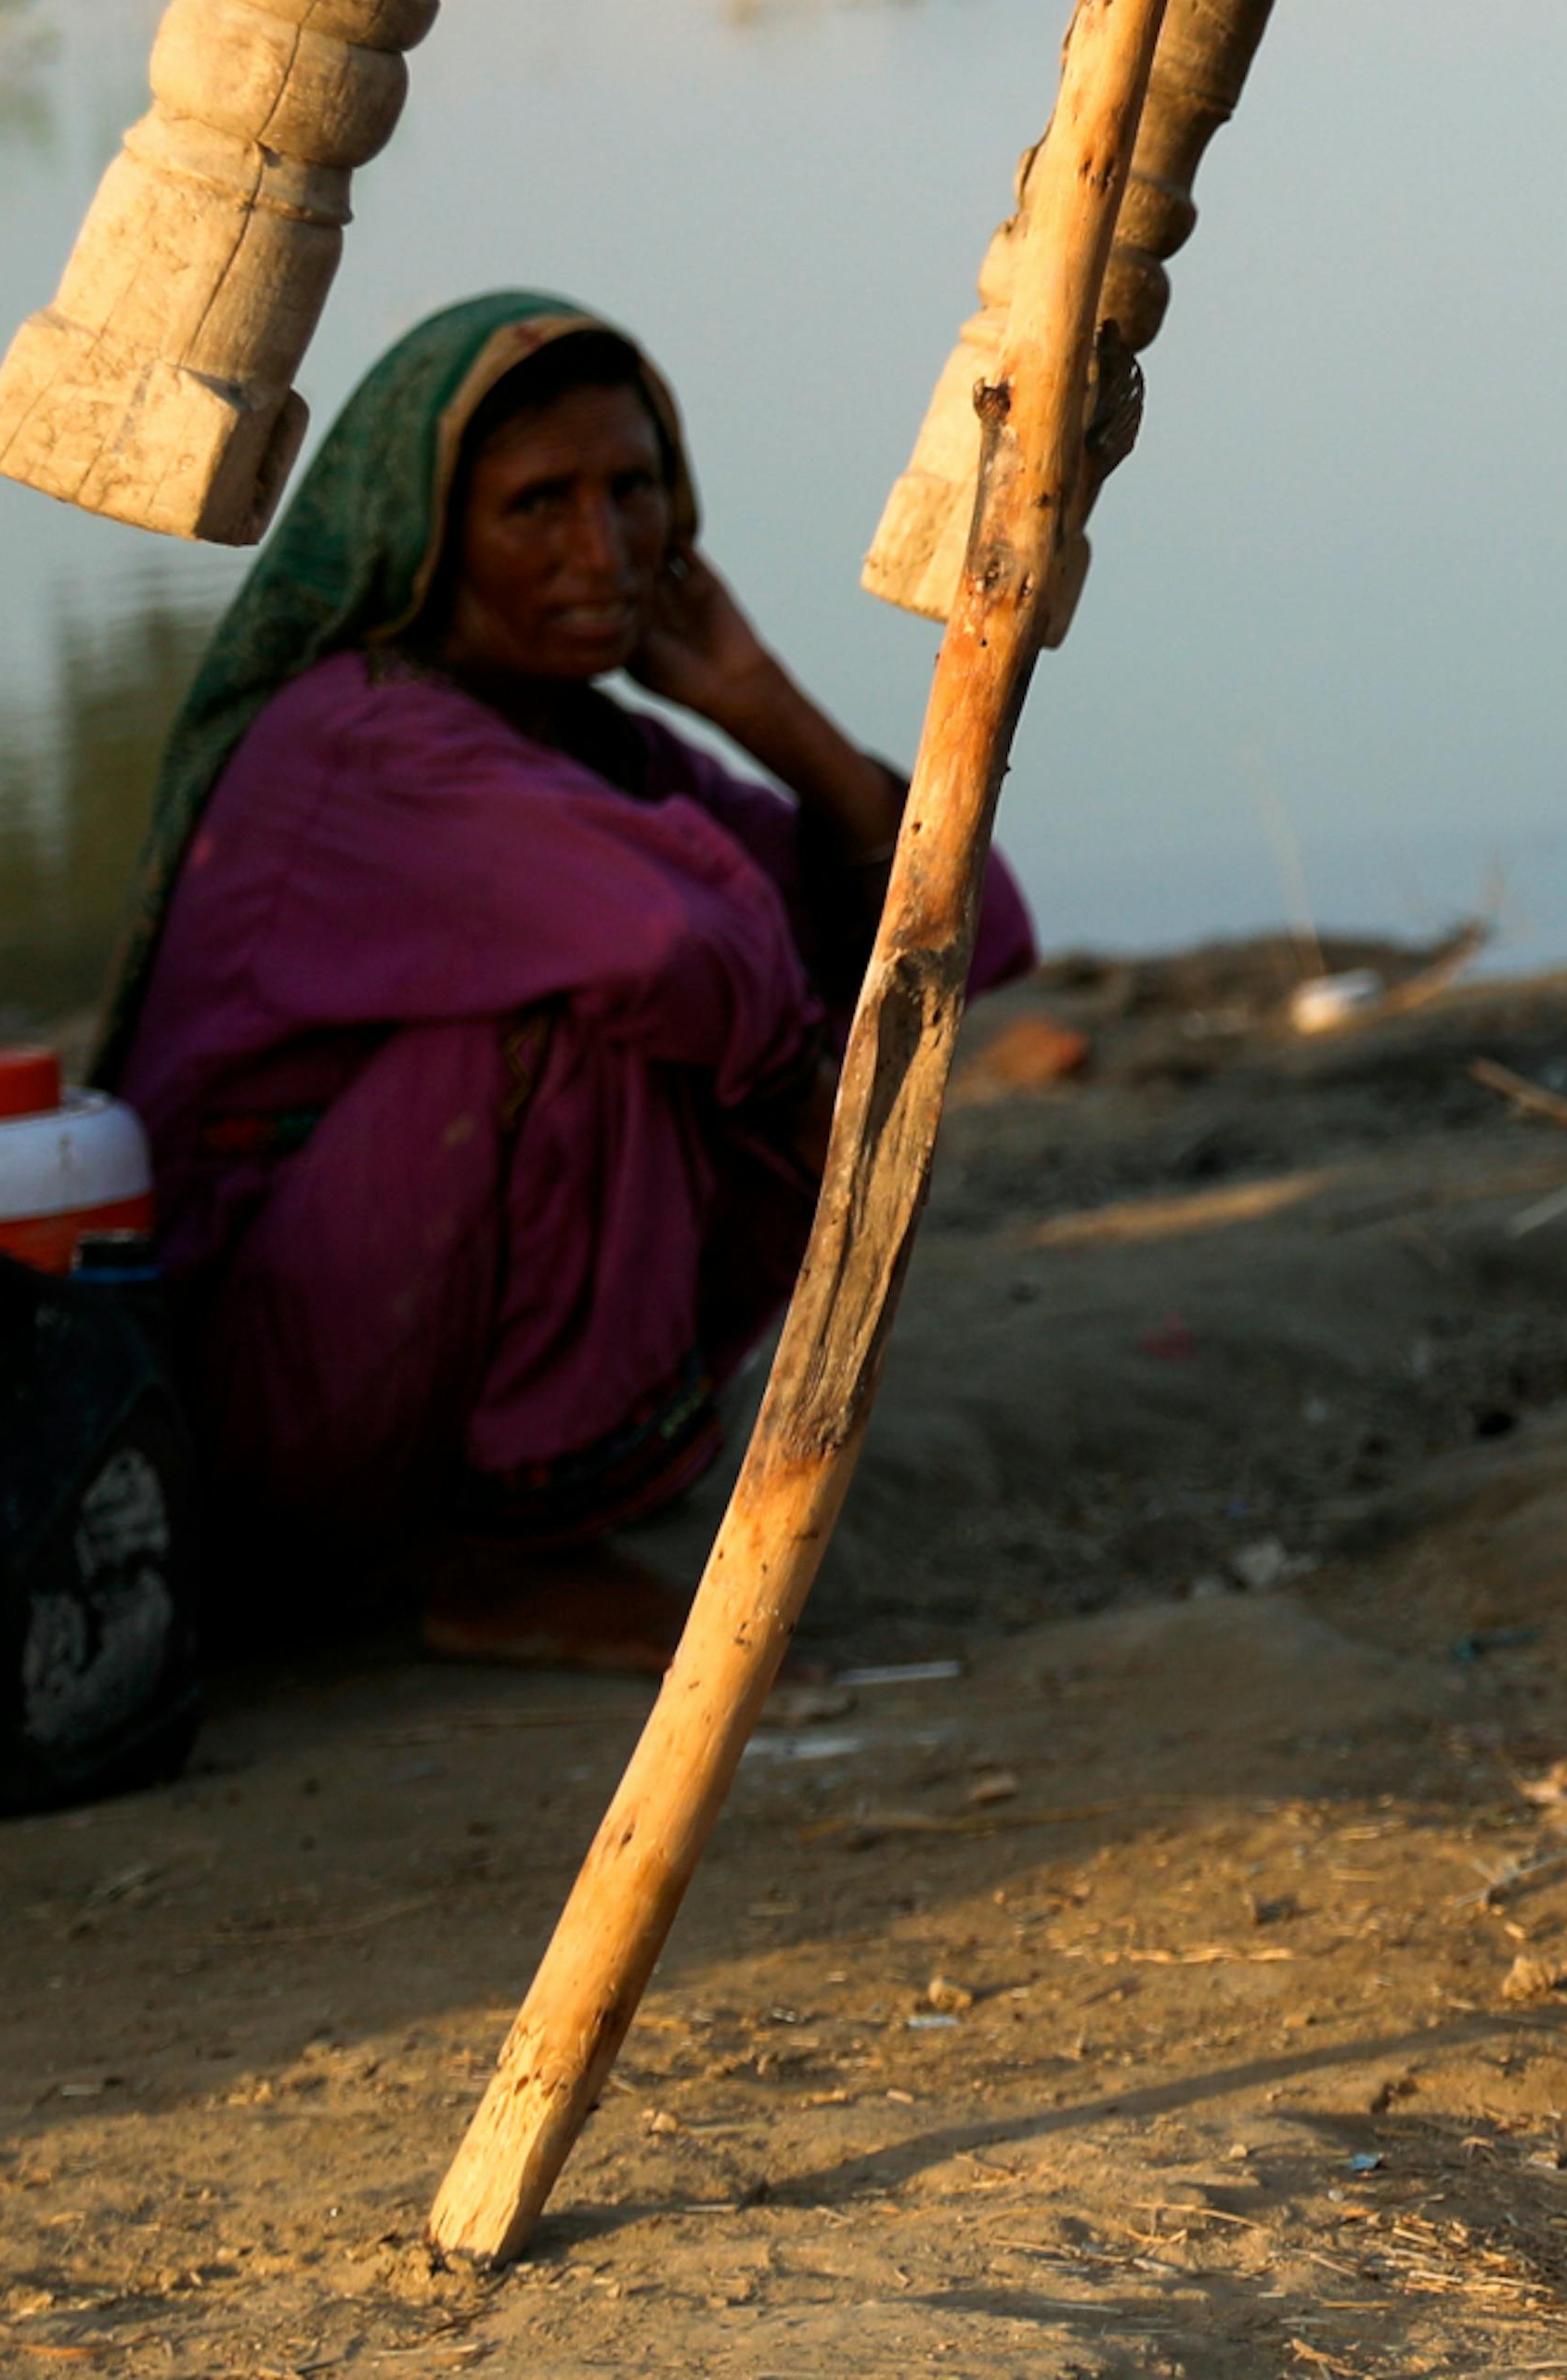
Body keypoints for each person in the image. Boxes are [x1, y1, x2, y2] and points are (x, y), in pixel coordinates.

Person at [97, 294, 1028, 1670]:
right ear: (424, 532)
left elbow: (971, 935)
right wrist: (788, 1084)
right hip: (242, 1404)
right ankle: (498, 1560)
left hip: (359, 1361)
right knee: (585, 1018)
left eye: (633, 491)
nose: (602, 549)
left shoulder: (589, 744)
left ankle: (510, 1527)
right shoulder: (363, 741)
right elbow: (668, 948)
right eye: (537, 506)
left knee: (710, 1009)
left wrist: (759, 703)